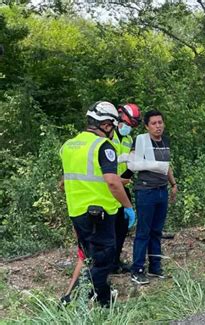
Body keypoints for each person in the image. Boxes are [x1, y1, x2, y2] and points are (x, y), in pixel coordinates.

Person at [60, 101, 136, 306]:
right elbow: (112, 181)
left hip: (77, 212)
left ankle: (105, 304)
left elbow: (63, 182)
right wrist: (128, 207)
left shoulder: (68, 146)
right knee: (104, 260)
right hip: (100, 213)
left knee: (91, 257)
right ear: (107, 125)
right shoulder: (104, 146)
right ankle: (76, 298)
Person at [126, 110, 178, 285]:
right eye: (154, 123)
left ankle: (155, 267)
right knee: (144, 232)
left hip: (161, 190)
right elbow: (132, 164)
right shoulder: (140, 141)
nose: (158, 126)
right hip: (146, 191)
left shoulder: (164, 141)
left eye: (160, 122)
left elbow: (165, 166)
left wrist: (173, 184)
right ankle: (137, 269)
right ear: (147, 126)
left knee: (157, 231)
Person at [110, 103, 142, 274]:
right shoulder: (107, 137)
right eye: (128, 124)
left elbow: (131, 162)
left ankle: (115, 262)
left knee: (121, 227)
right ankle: (102, 264)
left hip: (122, 186)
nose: (129, 129)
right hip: (107, 187)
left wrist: (126, 177)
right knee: (107, 227)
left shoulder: (128, 139)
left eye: (132, 126)